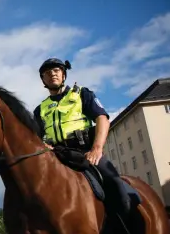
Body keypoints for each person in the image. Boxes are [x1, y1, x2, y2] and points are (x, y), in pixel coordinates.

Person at [33, 58, 131, 218]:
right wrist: (44, 145)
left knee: (113, 180)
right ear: (43, 79)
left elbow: (102, 119)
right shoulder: (40, 109)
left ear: (63, 75)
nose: (52, 74)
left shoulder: (82, 94)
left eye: (56, 70)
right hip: (57, 155)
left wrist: (97, 149)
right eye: (47, 72)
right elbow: (35, 137)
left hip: (85, 152)